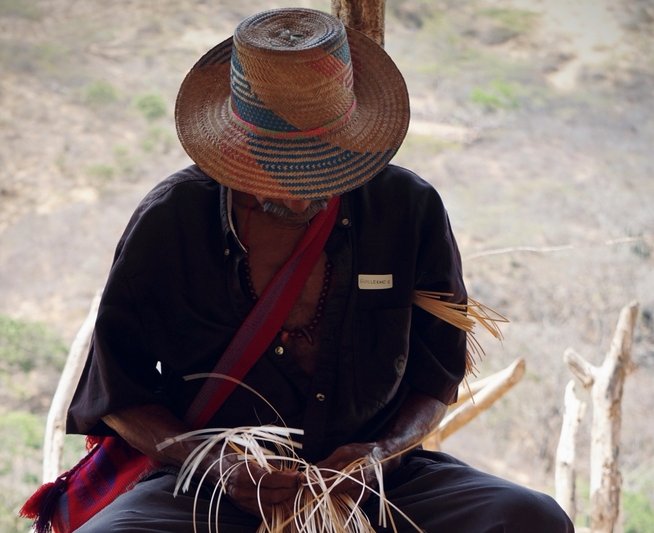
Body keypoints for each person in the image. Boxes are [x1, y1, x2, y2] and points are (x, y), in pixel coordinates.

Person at [63, 7, 573, 532]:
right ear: (235, 148)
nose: (300, 187)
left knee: (531, 518)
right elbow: (118, 395)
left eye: (319, 164)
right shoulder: (172, 220)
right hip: (213, 489)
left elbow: (435, 375)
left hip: (377, 484)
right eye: (277, 165)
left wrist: (381, 454)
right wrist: (219, 465)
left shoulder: (406, 208)